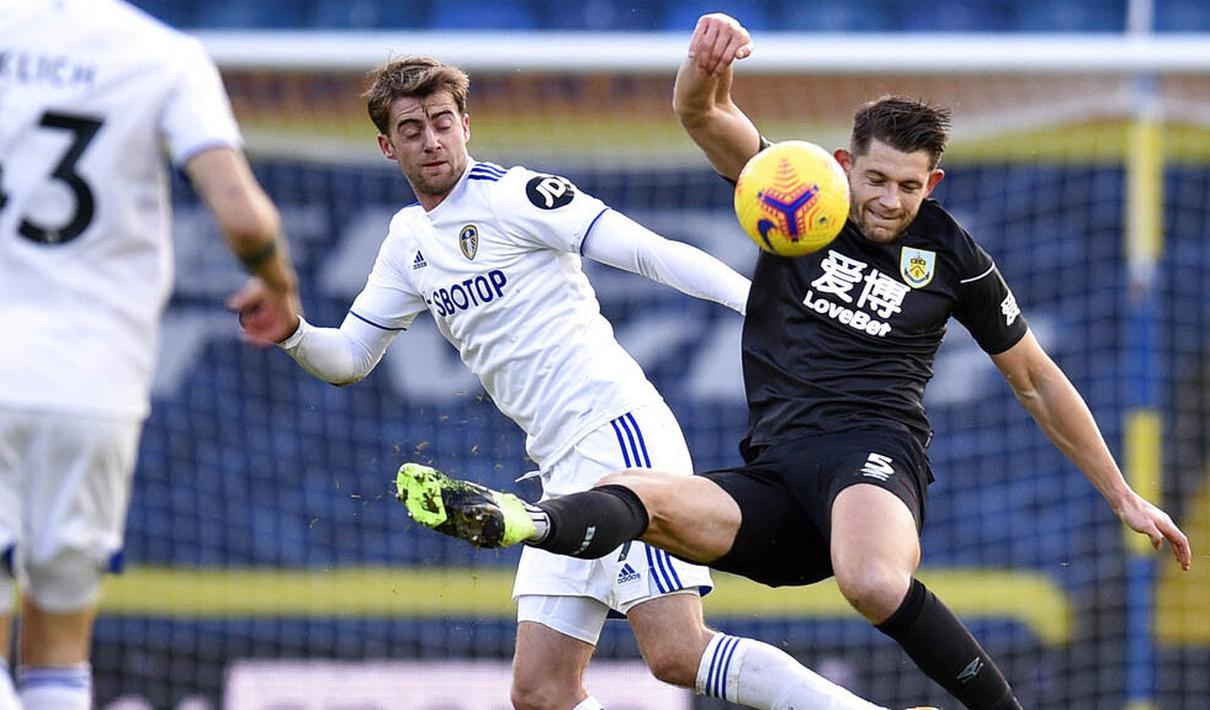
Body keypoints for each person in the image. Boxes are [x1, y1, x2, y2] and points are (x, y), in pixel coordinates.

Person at [395, 13, 1194, 710]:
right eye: (875, 178)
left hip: (873, 454)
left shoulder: (954, 257)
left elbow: (1034, 379)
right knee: (632, 494)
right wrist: (706, 61)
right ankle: (523, 521)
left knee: (873, 582)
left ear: (933, 182)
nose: (887, 200)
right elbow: (702, 112)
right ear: (843, 165)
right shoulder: (798, 195)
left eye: (908, 187)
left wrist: (1120, 493)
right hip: (775, 476)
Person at [244, 54, 908, 710]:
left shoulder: (514, 195)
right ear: (388, 147)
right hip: (559, 469)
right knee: (541, 692)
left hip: (618, 435)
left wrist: (761, 307)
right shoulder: (406, 243)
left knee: (677, 652)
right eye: (412, 129)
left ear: (465, 124)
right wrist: (292, 330)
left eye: (442, 121)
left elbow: (650, 251)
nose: (432, 140)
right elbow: (348, 359)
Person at [0, 1, 301, 709]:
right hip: (95, 383)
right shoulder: (162, 54)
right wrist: (277, 281)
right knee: (60, 640)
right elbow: (244, 215)